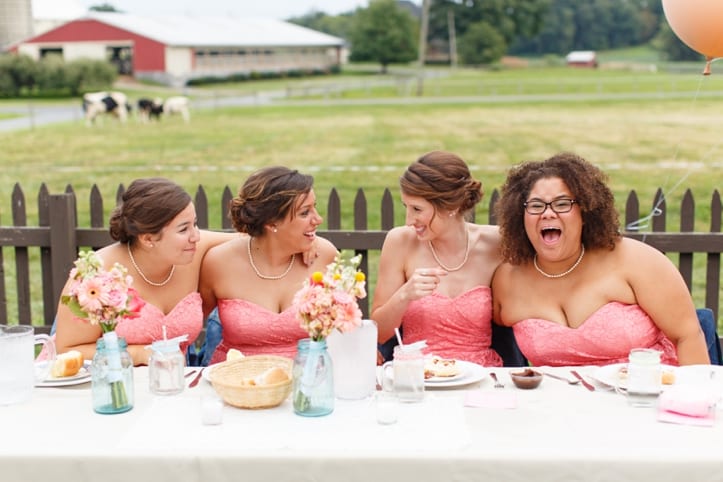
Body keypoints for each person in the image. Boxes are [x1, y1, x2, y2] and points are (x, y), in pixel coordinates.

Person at [491, 152, 710, 366]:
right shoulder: (508, 280)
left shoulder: (636, 260)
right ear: (521, 216)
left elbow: (688, 336)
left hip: (649, 394)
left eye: (562, 203)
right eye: (536, 205)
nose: (548, 213)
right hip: (558, 401)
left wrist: (691, 399)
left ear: (585, 212)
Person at [54, 177, 239, 366]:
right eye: (184, 229)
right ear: (148, 238)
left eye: (195, 224)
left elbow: (249, 241)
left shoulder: (195, 248)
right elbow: (67, 350)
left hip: (173, 385)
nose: (197, 236)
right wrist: (139, 354)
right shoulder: (96, 276)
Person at [371, 151, 504, 367]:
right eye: (407, 207)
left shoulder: (496, 243)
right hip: (419, 376)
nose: (409, 220)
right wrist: (404, 295)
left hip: (479, 375)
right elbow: (379, 333)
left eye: (417, 209)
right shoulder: (400, 242)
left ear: (451, 206)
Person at [199, 166, 338, 364]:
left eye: (315, 208)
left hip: (307, 384)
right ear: (272, 223)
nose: (318, 219)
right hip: (235, 383)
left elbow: (343, 327)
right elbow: (191, 324)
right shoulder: (218, 263)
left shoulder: (324, 256)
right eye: (305, 212)